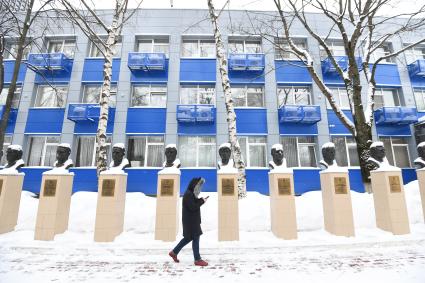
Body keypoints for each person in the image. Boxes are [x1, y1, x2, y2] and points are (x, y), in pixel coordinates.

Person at [169, 177, 209, 266]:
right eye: (198, 186)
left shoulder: (191, 194)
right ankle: (197, 259)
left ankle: (174, 252)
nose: (199, 188)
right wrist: (202, 201)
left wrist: (201, 200)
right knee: (195, 237)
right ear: (193, 185)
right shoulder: (188, 194)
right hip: (191, 221)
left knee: (188, 238)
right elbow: (193, 207)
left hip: (191, 220)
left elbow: (194, 203)